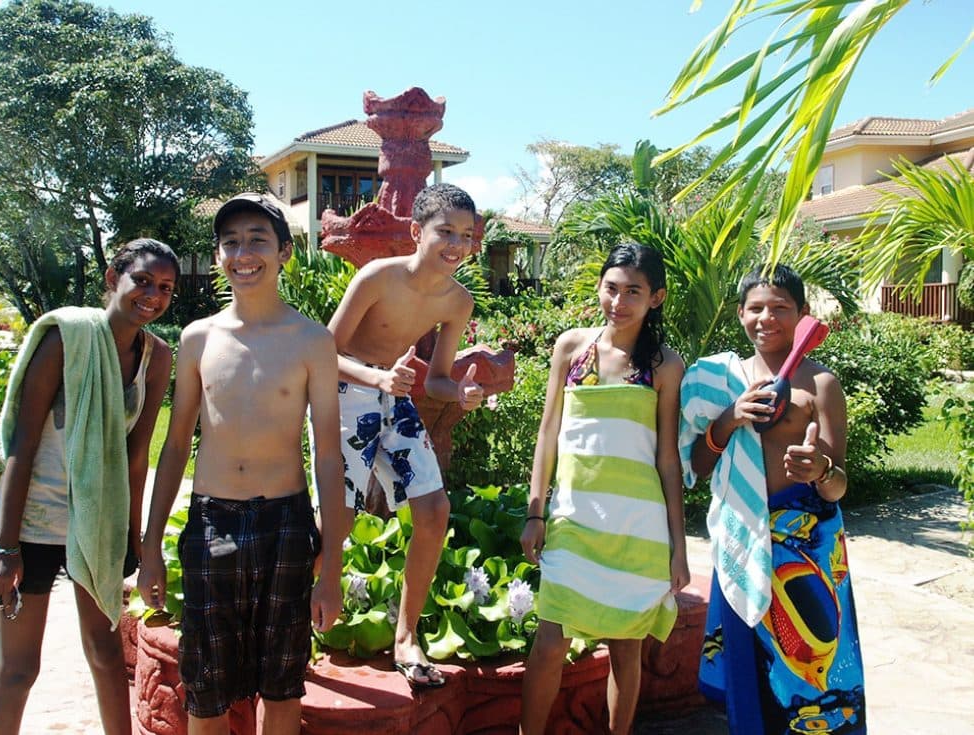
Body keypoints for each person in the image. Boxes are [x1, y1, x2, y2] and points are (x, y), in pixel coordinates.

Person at [137, 194, 349, 735]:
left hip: (287, 524)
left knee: (282, 681)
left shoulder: (312, 341)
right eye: (230, 242)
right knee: (205, 685)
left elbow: (328, 451)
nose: (243, 252)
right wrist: (151, 546)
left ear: (283, 253)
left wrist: (334, 564)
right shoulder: (198, 339)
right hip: (212, 522)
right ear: (217, 257)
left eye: (257, 239)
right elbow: (175, 445)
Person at [0, 238, 179, 734]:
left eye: (165, 287)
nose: (152, 294)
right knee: (19, 669)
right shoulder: (66, 339)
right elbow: (21, 444)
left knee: (107, 656)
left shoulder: (157, 359)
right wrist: (5, 546)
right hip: (31, 524)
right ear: (113, 279)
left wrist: (135, 541)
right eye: (143, 281)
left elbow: (137, 458)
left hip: (97, 525)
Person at [679, 264, 866, 734]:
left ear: (802, 315)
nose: (767, 318)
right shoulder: (721, 379)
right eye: (756, 308)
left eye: (781, 308)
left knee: (814, 666)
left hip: (809, 547)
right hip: (743, 536)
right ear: (740, 313)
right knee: (752, 676)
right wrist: (730, 417)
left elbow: (840, 483)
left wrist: (819, 469)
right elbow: (698, 468)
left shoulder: (820, 384)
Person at [519, 243, 690, 735]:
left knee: (625, 646)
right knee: (550, 640)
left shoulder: (664, 366)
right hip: (574, 518)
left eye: (633, 291)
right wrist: (535, 512)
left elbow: (667, 460)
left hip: (639, 529)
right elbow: (547, 432)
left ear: (655, 297)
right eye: (611, 288)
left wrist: (678, 548)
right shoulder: (572, 348)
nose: (619, 301)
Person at [325, 182, 484, 688]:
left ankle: (406, 635)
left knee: (435, 511)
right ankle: (292, 625)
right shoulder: (377, 277)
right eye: (445, 232)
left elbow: (436, 377)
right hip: (346, 392)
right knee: (338, 520)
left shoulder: (459, 301)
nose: (456, 244)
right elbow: (323, 351)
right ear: (417, 232)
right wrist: (376, 379)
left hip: (396, 400)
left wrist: (461, 392)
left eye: (466, 234)